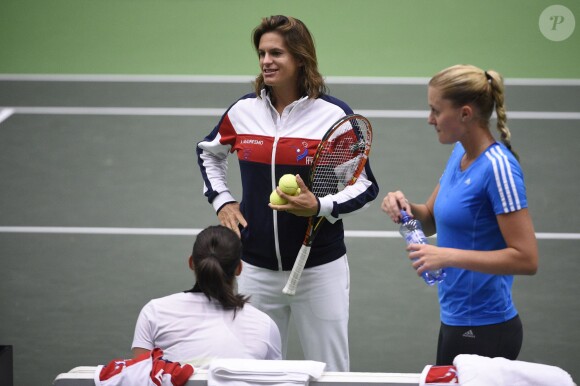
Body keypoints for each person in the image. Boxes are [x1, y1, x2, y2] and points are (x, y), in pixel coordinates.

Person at [196, 15, 379, 371]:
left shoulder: (333, 115)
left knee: (330, 371)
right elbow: (209, 151)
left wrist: (320, 205)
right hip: (255, 268)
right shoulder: (243, 111)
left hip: (319, 268)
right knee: (251, 371)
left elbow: (364, 183)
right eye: (262, 53)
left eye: (276, 53)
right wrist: (223, 201)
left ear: (300, 58)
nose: (266, 61)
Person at [381, 64, 538, 365]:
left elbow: (527, 259)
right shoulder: (460, 154)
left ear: (465, 113)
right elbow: (428, 220)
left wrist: (448, 256)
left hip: (486, 327)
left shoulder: (498, 168)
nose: (430, 119)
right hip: (456, 319)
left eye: (436, 111)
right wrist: (404, 209)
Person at [131, 225, 282, 368]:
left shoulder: (154, 312)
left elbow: (139, 376)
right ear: (239, 268)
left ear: (191, 263)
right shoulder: (265, 325)